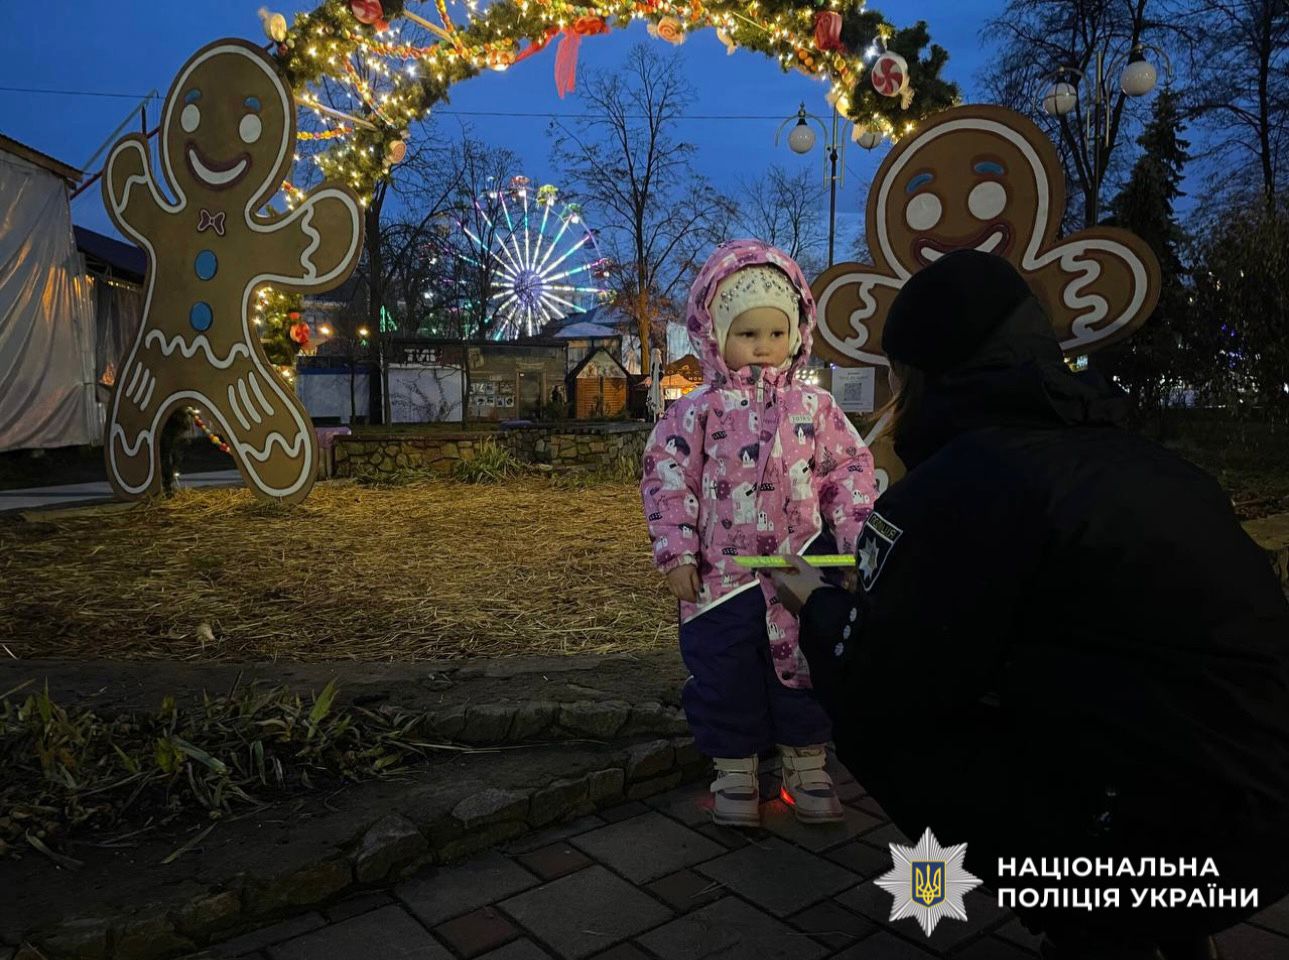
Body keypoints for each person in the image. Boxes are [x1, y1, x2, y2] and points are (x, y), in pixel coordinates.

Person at [771, 249, 1289, 960]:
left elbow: (881, 680)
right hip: (1264, 817)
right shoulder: (1138, 460)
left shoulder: (962, 483)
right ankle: (1165, 924)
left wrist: (815, 603)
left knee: (877, 722)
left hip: (1156, 842)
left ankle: (1090, 920)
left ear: (915, 374)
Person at [640, 239, 878, 827]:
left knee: (806, 661)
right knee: (725, 669)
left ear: (797, 333)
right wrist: (675, 551)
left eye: (777, 333)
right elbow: (668, 480)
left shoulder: (816, 408)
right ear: (715, 337)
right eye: (748, 335)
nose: (764, 348)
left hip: (800, 566)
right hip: (721, 578)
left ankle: (806, 762)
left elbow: (848, 473)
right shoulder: (694, 412)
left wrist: (853, 544)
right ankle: (735, 767)